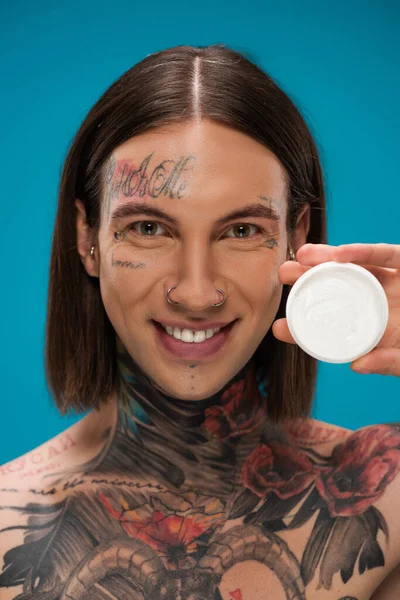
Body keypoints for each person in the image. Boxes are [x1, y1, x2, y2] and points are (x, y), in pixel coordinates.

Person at [0, 45, 399, 600]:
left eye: (240, 232)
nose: (195, 291)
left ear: (296, 236)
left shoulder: (389, 499)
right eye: (148, 228)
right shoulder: (5, 524)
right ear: (87, 239)